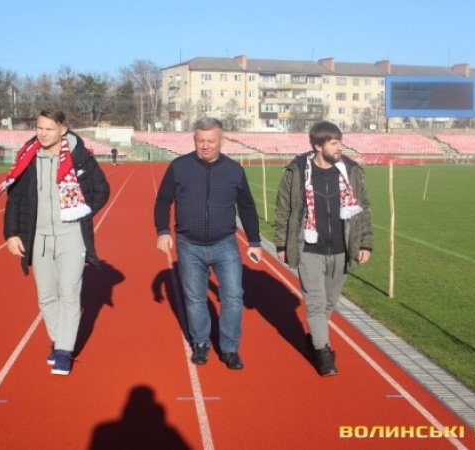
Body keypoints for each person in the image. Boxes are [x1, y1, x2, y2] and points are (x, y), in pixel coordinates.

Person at [0, 110, 110, 376]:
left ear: (63, 129)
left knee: (69, 294)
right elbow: (15, 199)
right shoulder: (28, 158)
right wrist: (12, 234)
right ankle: (59, 339)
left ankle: (63, 350)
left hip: (71, 237)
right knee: (46, 297)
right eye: (39, 128)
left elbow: (102, 190)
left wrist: (81, 213)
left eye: (49, 129)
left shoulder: (79, 156)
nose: (42, 133)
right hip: (38, 237)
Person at [154, 117, 262, 370]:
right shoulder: (179, 167)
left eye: (211, 141)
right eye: (200, 140)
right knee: (195, 299)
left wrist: (255, 241)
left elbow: (247, 207)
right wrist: (162, 231)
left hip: (225, 244)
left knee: (233, 297)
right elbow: (163, 200)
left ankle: (230, 348)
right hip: (189, 245)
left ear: (221, 140)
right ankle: (201, 343)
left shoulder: (234, 170)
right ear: (194, 140)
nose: (205, 146)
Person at [274, 120, 373, 376]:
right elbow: (284, 209)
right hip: (309, 249)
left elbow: (363, 210)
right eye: (334, 143)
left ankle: (314, 339)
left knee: (329, 301)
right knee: (316, 302)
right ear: (318, 146)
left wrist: (365, 242)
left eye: (340, 142)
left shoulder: (350, 171)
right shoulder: (297, 171)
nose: (340, 147)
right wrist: (282, 243)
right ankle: (324, 353)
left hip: (341, 247)